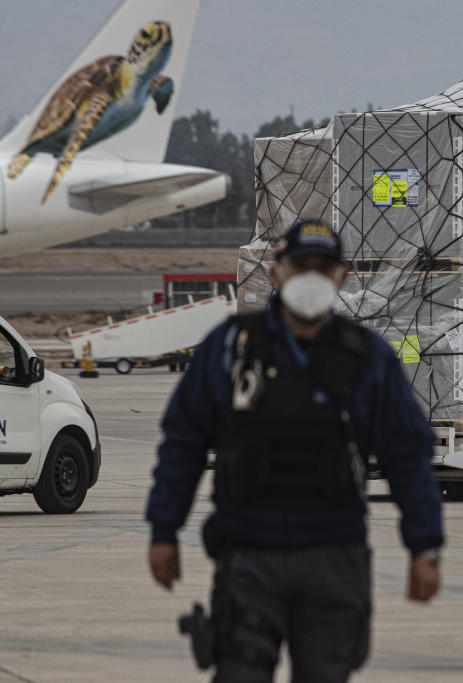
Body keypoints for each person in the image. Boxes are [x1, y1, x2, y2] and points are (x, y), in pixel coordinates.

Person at [145, 220, 444, 682]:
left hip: (333, 557)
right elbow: (182, 442)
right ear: (276, 272)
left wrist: (425, 547)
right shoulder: (231, 348)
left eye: (323, 267)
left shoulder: (368, 358)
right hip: (249, 555)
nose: (311, 276)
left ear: (342, 277)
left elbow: (407, 456)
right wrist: (164, 529)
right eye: (300, 265)